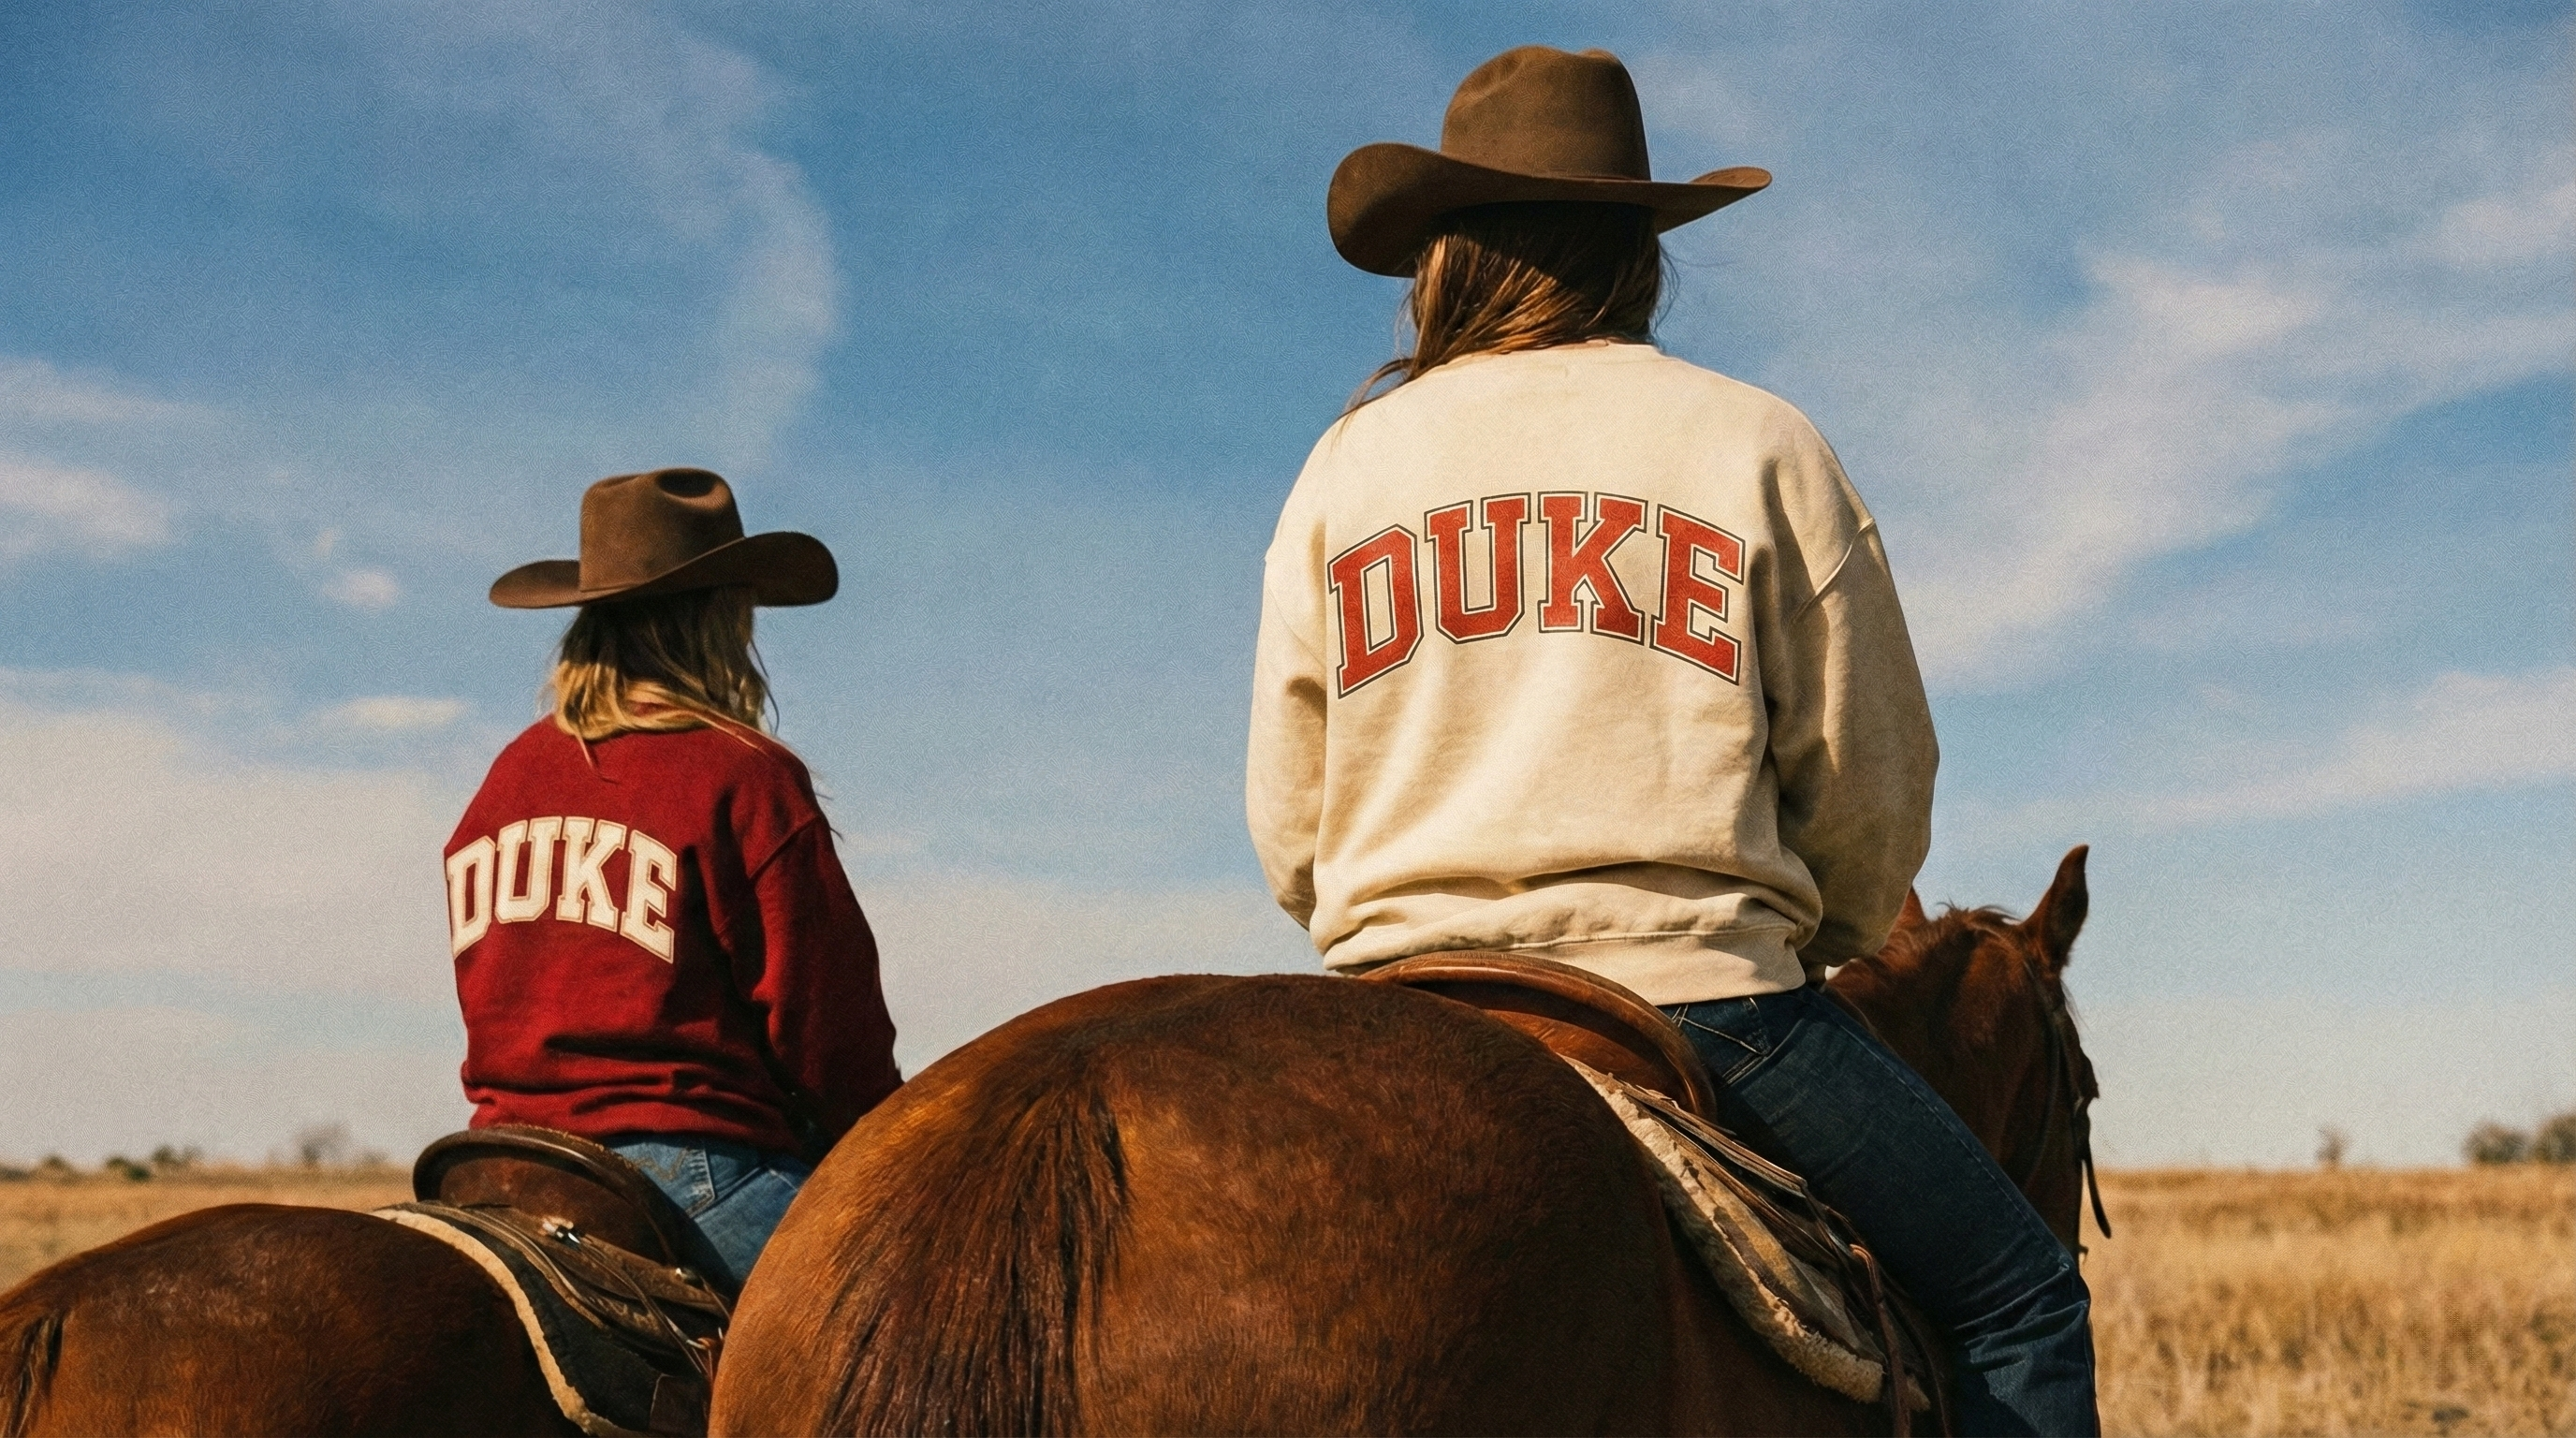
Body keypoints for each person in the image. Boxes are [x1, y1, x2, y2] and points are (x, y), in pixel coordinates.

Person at [1246, 46, 2097, 1435]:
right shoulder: (1756, 443)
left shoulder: (1348, 466)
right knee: (2018, 1299)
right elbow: (1873, 788)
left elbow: (1291, 815)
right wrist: (1800, 932)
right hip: (1701, 997)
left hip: (1398, 990)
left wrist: (1387, 920)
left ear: (1445, 253)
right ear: (1640, 244)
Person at [443, 466, 901, 1292]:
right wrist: (885, 1154)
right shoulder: (743, 776)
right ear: (722, 616)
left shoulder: (506, 779)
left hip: (497, 1168)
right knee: (928, 1320)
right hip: (687, 1172)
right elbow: (828, 1028)